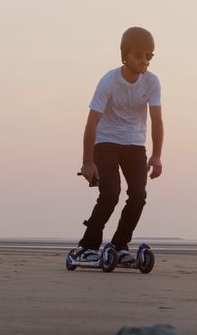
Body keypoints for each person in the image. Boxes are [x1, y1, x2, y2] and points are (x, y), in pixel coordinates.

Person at [75, 27, 163, 264]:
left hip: (135, 145)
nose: (143, 61)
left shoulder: (152, 82)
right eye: (138, 55)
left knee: (138, 195)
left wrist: (156, 156)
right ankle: (88, 246)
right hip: (106, 142)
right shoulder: (109, 81)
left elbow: (157, 119)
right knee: (110, 194)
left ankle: (120, 244)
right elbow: (92, 122)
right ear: (125, 55)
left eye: (148, 55)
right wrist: (87, 162)